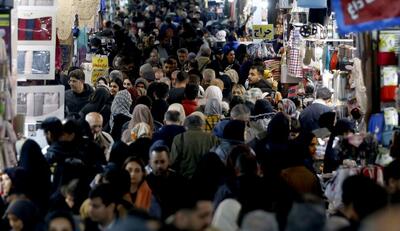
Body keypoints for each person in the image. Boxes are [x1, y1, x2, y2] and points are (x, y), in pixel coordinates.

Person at [170, 113, 219, 179]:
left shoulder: (179, 138)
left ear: (185, 126)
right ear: (202, 125)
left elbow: (173, 161)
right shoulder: (212, 138)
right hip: (206, 179)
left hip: (185, 179)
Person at [146, 145, 189, 219]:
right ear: (150, 163)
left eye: (162, 162)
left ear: (169, 161)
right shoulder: (146, 182)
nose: (159, 166)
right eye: (156, 162)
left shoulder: (180, 181)